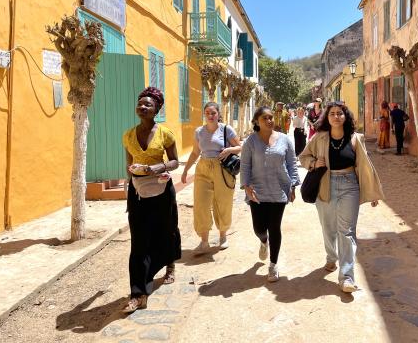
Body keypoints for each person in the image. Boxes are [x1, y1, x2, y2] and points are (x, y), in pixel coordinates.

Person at [299, 101, 384, 293]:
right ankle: (331, 257)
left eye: (340, 113)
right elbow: (303, 157)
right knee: (328, 228)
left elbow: (365, 167)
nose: (336, 116)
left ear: (346, 117)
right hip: (325, 185)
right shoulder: (319, 138)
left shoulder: (355, 139)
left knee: (346, 232)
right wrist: (313, 163)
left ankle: (347, 276)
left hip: (349, 186)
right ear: (327, 118)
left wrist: (371, 192)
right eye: (332, 114)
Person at [122, 87, 181, 313]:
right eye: (140, 103)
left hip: (161, 189)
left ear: (157, 109)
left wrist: (158, 167)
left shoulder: (165, 133)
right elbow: (129, 165)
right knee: (138, 241)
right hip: (138, 192)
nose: (143, 107)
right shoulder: (128, 135)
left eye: (148, 104)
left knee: (166, 231)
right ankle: (138, 294)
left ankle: (170, 265)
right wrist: (133, 179)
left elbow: (175, 161)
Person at [240, 106, 300, 282]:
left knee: (275, 227)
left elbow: (292, 164)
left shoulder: (284, 140)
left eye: (271, 117)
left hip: (279, 189)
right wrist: (246, 186)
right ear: (257, 122)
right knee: (259, 228)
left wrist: (293, 186)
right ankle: (263, 241)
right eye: (265, 118)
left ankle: (273, 265)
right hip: (257, 191)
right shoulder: (251, 141)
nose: (269, 121)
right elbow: (245, 166)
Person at [181, 102, 241, 253]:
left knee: (223, 202)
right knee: (201, 204)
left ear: (218, 114)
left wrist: (229, 150)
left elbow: (240, 147)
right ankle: (204, 241)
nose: (210, 115)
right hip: (203, 168)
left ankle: (223, 236)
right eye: (207, 113)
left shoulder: (227, 129)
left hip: (222, 169)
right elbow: (195, 152)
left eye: (213, 113)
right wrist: (185, 170)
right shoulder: (199, 132)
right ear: (204, 114)